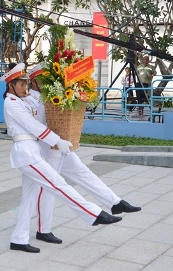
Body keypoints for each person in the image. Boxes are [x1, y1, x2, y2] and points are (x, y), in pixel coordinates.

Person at [3, 63, 122, 253]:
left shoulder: (23, 100)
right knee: (58, 184)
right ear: (11, 85)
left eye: (26, 83)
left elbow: (43, 117)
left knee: (28, 198)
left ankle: (18, 238)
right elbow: (34, 126)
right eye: (21, 84)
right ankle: (93, 213)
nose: (25, 87)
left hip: (32, 150)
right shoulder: (11, 103)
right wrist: (57, 141)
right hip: (26, 153)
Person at [23, 65, 141, 244]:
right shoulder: (30, 99)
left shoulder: (45, 96)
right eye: (42, 79)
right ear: (34, 81)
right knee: (49, 188)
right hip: (48, 148)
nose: (46, 82)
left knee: (85, 173)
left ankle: (115, 203)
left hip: (61, 146)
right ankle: (43, 229)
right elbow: (39, 125)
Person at [1, 63, 17, 135]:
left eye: (8, 68)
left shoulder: (14, 77)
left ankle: (9, 129)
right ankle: (8, 129)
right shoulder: (10, 76)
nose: (7, 69)